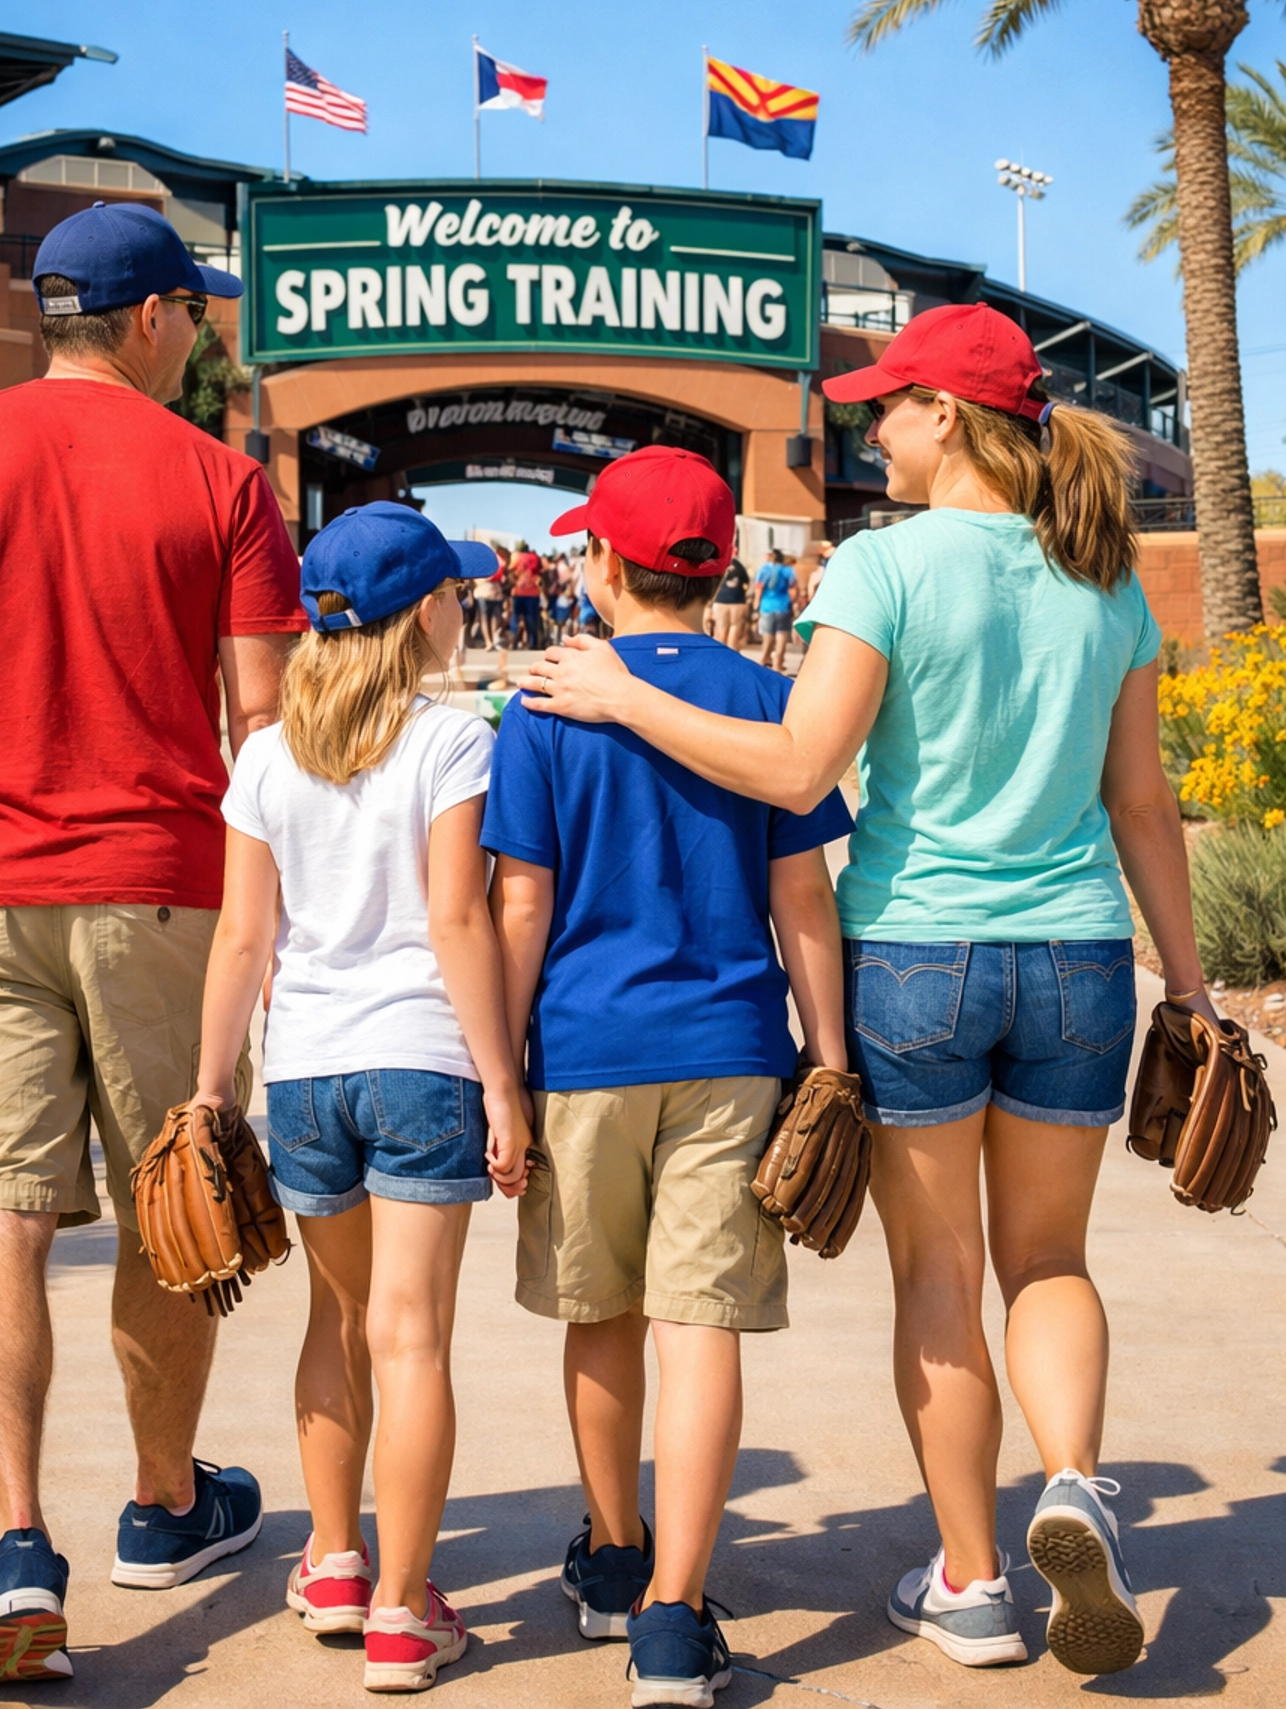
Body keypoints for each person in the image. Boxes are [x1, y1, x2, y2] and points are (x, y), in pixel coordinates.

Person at [523, 304, 1217, 1679]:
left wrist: (621, 697)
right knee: (1053, 1264)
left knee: (943, 1274)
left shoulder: (884, 571)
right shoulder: (1108, 581)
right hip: (1080, 955)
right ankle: (1071, 1480)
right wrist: (1191, 991)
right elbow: (1142, 805)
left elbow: (796, 772)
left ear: (945, 420)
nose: (870, 429)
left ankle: (970, 1579)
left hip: (917, 955)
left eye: (886, 407)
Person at [0, 201, 307, 1689]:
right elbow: (263, 728)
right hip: (162, 887)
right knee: (178, 1191)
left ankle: (13, 1545)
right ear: (149, 318)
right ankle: (163, 1506)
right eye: (195, 315)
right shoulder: (221, 480)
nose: (203, 339)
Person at [486, 448, 853, 1708]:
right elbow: (801, 897)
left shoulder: (544, 703)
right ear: (714, 571)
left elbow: (519, 903)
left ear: (599, 566)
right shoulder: (765, 700)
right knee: (703, 1328)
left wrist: (505, 1068)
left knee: (602, 1314)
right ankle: (674, 1620)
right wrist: (835, 1055)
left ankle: (613, 1558)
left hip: (586, 1052)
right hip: (736, 1051)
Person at [192, 503, 530, 1692]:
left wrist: (208, 1092)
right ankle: (400, 1612)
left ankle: (334, 1561)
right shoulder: (450, 742)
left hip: (304, 1073)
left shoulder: (266, 756)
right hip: (422, 1063)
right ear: (422, 616)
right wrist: (503, 1082)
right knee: (412, 1336)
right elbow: (456, 919)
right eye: (451, 596)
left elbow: (243, 938)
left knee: (337, 1326)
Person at [752, 547, 795, 671]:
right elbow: (793, 588)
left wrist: (756, 603)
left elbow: (758, 587)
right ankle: (778, 663)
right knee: (782, 634)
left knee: (768, 635)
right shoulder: (787, 570)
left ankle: (764, 659)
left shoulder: (763, 569)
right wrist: (792, 602)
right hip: (783, 605)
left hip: (767, 606)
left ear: (771, 556)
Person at [708, 544, 752, 652]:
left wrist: (709, 604)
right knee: (735, 628)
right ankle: (731, 653)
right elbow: (746, 584)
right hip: (737, 601)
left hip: (720, 600)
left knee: (721, 629)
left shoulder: (718, 564)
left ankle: (719, 654)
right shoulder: (740, 567)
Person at [509, 539, 545, 650]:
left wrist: (515, 582)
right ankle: (532, 643)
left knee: (516, 616)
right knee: (531, 618)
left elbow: (510, 571)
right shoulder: (535, 558)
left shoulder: (516, 557)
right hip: (533, 593)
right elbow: (541, 573)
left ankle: (514, 640)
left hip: (519, 591)